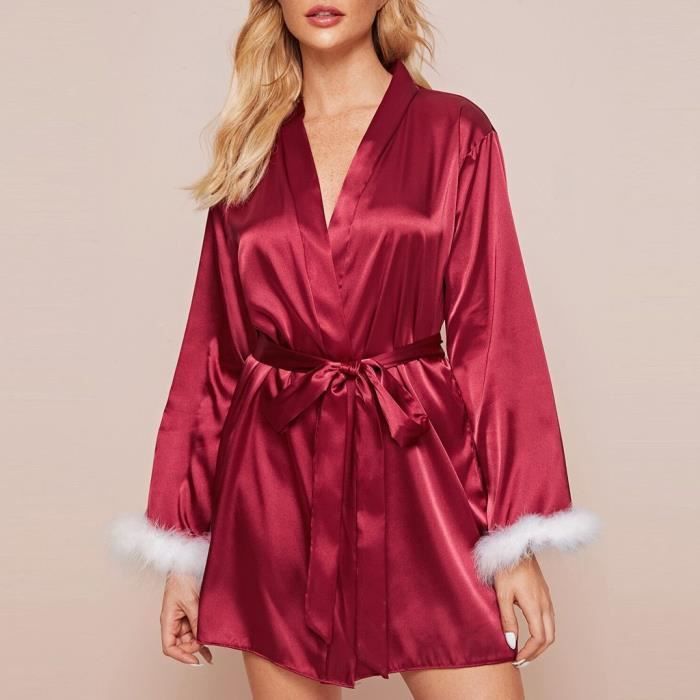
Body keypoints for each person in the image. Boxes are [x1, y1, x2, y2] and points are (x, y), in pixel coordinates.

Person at [110, 1, 601, 697]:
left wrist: (515, 538)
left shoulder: (454, 132)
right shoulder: (252, 146)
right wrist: (185, 549)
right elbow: (214, 352)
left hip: (421, 463)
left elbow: (493, 333)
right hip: (274, 480)